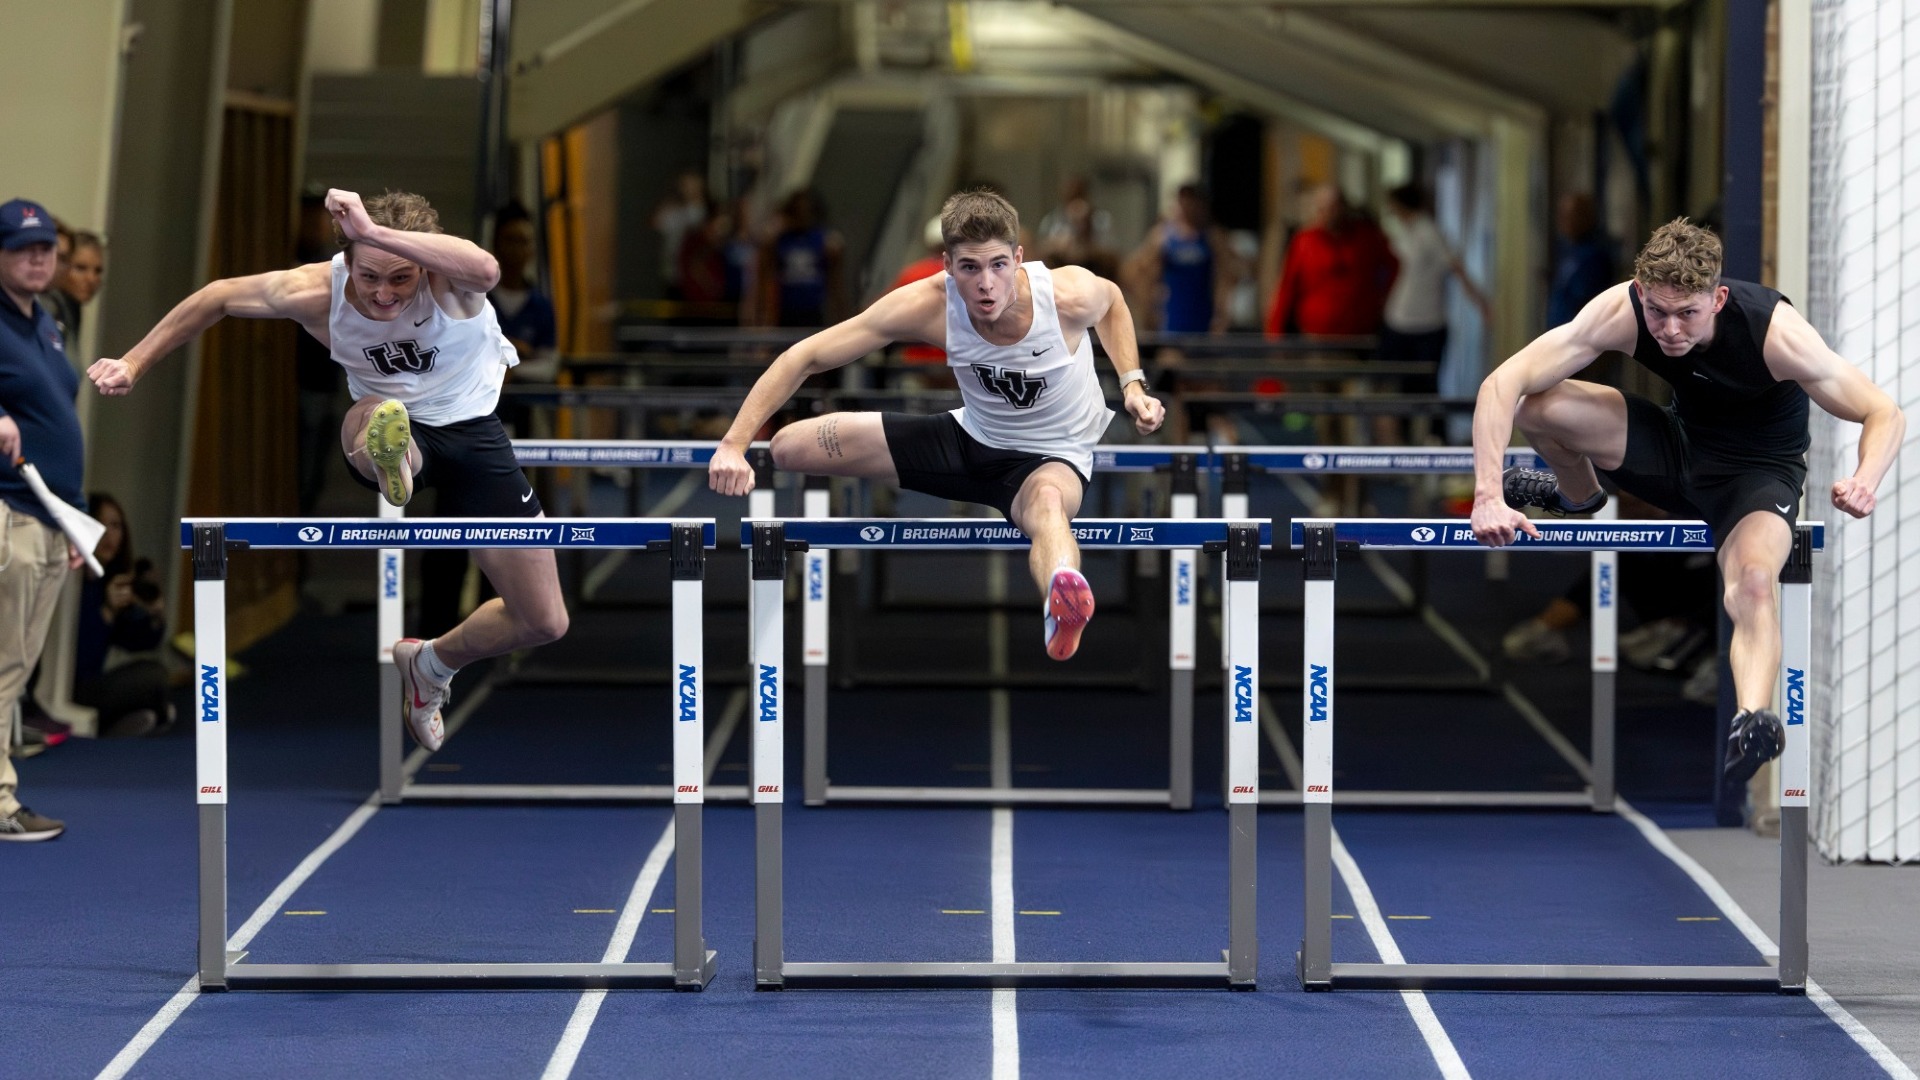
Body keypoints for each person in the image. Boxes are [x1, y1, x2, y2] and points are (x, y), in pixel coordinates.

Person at [88, 188, 570, 753]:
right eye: (368, 277)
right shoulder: (316, 289)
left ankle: (431, 663)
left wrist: (376, 233)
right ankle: (398, 462)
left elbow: (487, 267)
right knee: (376, 418)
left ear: (422, 262)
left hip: (474, 434)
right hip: (389, 420)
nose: (384, 294)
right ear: (347, 260)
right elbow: (216, 296)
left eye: (400, 279)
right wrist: (134, 361)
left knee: (543, 621)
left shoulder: (450, 279)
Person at [1470, 218, 1905, 788]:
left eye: (1688, 314)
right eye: (1658, 313)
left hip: (1757, 478)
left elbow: (1884, 412)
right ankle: (1580, 498)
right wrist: (1488, 496)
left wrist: (1866, 478)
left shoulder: (1775, 332)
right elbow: (1501, 384)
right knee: (1535, 404)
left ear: (1718, 298)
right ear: (1641, 293)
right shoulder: (1622, 310)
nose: (1670, 330)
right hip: (1675, 450)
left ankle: (1750, 718)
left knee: (1751, 583)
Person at [708, 189, 1167, 660]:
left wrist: (1133, 385)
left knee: (1049, 509)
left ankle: (1062, 596)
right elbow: (804, 356)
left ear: (1019, 258)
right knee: (788, 448)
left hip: (1050, 458)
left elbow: (1113, 302)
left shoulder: (1067, 295)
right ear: (946, 265)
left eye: (998, 266)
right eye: (969, 268)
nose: (986, 284)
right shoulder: (927, 305)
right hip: (969, 437)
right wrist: (734, 443)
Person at [0, 198, 85, 841]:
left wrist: (75, 520)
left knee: (18, 668)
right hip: (11, 513)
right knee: (4, 666)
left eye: (46, 247)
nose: (37, 257)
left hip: (52, 518)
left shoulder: (47, 322)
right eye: (23, 246)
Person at [1266, 183, 1398, 338]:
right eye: (1323, 208)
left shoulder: (1367, 238)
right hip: (1317, 332)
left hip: (1359, 331)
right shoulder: (1305, 241)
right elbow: (1287, 286)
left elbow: (1393, 266)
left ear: (1344, 207)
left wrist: (1383, 299)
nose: (1329, 214)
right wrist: (1275, 331)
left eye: (1333, 208)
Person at [1127, 184, 1237, 336]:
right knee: (1171, 357)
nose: (1188, 207)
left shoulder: (1212, 237)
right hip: (1172, 321)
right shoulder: (1163, 236)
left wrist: (1222, 314)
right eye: (1184, 202)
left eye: (1193, 202)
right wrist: (1148, 308)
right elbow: (1136, 273)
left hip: (1203, 321)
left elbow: (1228, 276)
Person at [763, 189, 842, 328]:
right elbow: (765, 278)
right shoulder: (780, 240)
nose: (803, 216)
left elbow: (834, 283)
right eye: (798, 211)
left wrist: (841, 316)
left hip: (812, 310)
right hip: (786, 310)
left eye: (806, 211)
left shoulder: (823, 240)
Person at [1547, 193, 1615, 329]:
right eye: (1562, 216)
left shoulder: (1596, 257)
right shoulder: (1567, 250)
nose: (1564, 221)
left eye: (1570, 216)